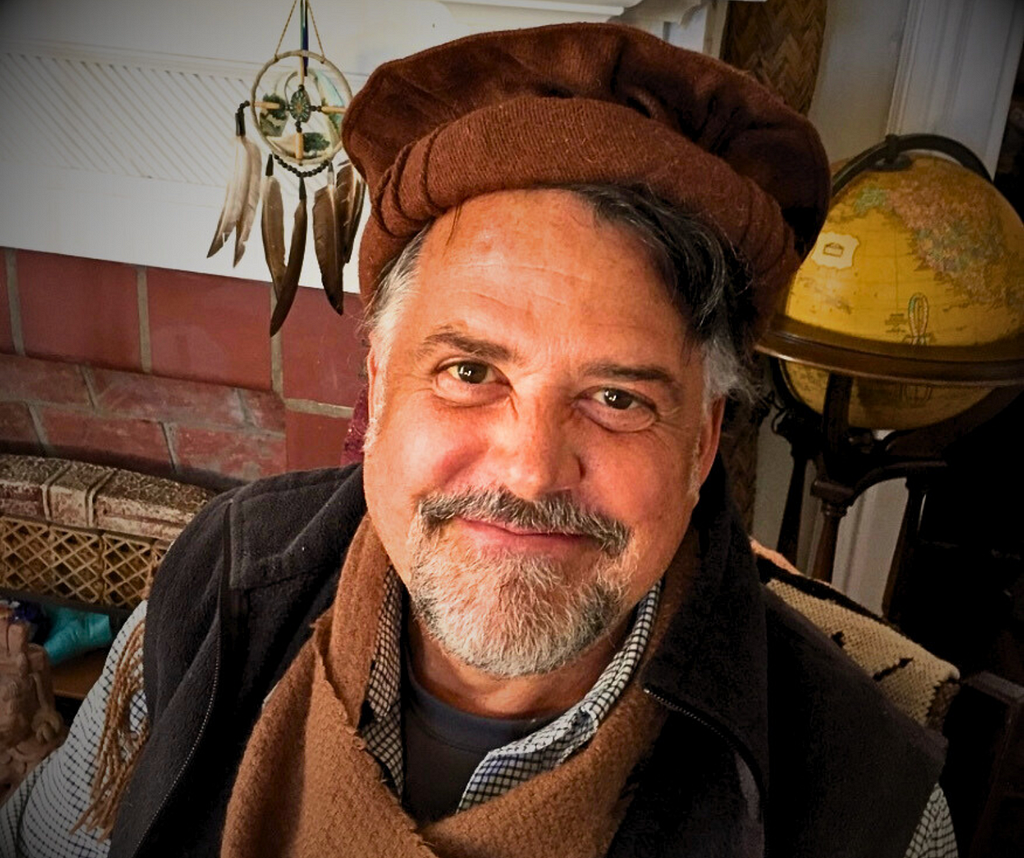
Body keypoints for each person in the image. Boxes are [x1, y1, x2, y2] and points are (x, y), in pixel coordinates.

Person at [1, 23, 957, 858]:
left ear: (703, 443)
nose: (531, 467)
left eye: (618, 398)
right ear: (377, 386)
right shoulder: (218, 584)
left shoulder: (868, 806)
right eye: (470, 373)